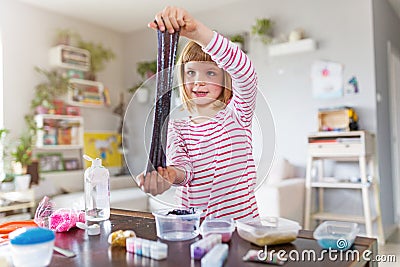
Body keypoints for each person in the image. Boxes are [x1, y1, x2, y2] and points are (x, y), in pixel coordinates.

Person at [138, 6, 259, 221]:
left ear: (225, 80)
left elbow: (245, 74)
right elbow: (184, 169)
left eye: (210, 73)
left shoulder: (238, 113)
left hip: (241, 227)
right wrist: (170, 176)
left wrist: (198, 33)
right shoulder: (177, 127)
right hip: (194, 229)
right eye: (191, 72)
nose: (198, 81)